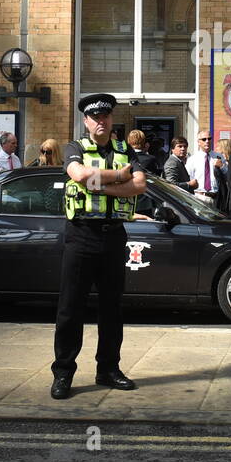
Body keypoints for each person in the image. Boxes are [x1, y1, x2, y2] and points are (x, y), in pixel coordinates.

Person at [51, 93, 147, 401]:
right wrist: (120, 178)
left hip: (113, 235)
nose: (101, 121)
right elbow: (78, 175)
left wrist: (103, 183)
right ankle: (63, 373)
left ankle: (108, 369)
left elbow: (140, 185)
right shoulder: (74, 148)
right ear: (86, 121)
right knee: (70, 309)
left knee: (112, 308)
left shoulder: (125, 150)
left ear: (111, 120)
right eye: (95, 117)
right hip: (81, 235)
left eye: (106, 116)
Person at [185, 131, 223, 207]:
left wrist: (222, 167)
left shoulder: (218, 157)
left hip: (216, 198)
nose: (207, 141)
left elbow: (228, 176)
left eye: (209, 139)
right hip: (199, 197)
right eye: (204, 139)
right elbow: (188, 178)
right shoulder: (192, 159)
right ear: (198, 142)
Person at [214, 137, 231, 212]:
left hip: (225, 194)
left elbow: (230, 176)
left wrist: (222, 166)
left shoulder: (228, 161)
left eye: (218, 146)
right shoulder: (217, 158)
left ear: (223, 147)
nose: (216, 148)